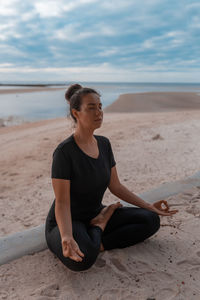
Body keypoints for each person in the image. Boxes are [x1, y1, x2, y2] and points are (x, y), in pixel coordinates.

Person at [45, 84, 178, 272]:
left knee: (151, 220)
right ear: (76, 113)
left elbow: (116, 187)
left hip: (94, 212)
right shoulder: (64, 152)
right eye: (91, 108)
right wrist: (66, 236)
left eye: (100, 106)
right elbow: (62, 203)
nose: (99, 112)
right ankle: (100, 225)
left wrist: (148, 206)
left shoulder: (104, 144)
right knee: (80, 261)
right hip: (67, 220)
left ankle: (98, 231)